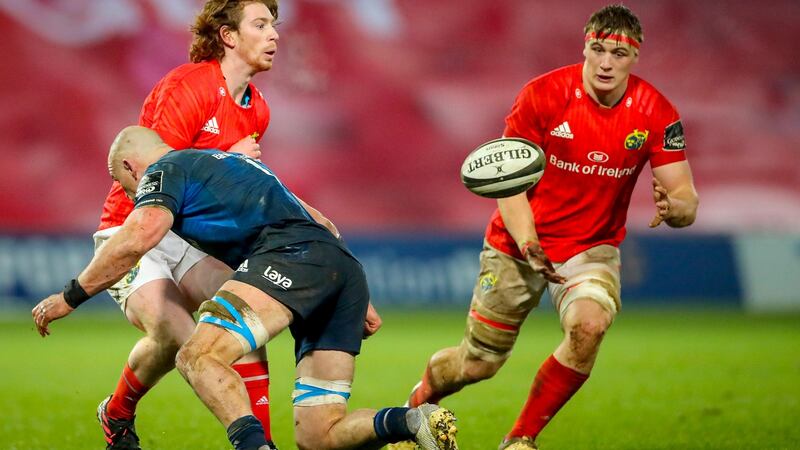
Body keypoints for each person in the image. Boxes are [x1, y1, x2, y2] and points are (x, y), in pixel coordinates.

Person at [32, 126, 458, 450]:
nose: (133, 194)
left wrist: (71, 296)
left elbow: (141, 233)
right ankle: (411, 423)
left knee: (197, 356)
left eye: (127, 187)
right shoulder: (237, 163)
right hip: (340, 267)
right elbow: (321, 222)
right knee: (318, 434)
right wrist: (354, 292)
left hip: (288, 257)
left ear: (131, 167)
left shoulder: (165, 170)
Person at [397, 5, 700, 449]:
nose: (606, 62)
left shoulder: (656, 111)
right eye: (598, 49)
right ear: (585, 47)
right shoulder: (542, 95)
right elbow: (507, 182)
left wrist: (675, 210)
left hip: (591, 247)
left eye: (618, 53)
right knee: (477, 364)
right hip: (516, 244)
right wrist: (529, 242)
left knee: (590, 326)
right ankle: (415, 406)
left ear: (634, 58)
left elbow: (685, 199)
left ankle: (520, 439)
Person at [88, 1, 278, 448]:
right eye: (261, 24)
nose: (274, 34)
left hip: (188, 235)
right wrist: (228, 161)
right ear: (229, 36)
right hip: (133, 228)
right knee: (179, 336)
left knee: (241, 318)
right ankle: (118, 412)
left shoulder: (258, 109)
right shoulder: (187, 87)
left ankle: (261, 442)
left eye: (274, 24)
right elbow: (154, 180)